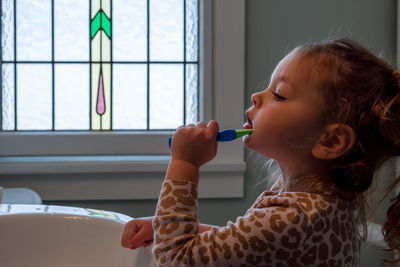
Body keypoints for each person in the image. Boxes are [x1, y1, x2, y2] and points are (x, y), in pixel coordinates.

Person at [121, 38, 400, 266]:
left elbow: (177, 259)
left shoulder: (294, 216)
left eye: (278, 95)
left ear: (330, 141)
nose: (257, 96)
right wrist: (168, 227)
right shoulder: (320, 201)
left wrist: (184, 163)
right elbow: (245, 244)